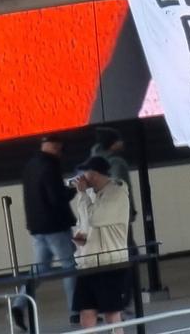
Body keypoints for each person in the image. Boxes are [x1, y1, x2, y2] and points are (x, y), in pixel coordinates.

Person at [12, 135, 78, 331]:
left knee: (40, 269)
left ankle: (18, 304)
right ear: (53, 146)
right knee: (70, 266)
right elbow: (56, 198)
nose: (61, 151)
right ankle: (75, 312)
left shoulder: (30, 165)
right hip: (55, 226)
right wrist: (73, 190)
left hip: (36, 227)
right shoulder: (50, 166)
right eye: (60, 147)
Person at [72, 156, 130, 332]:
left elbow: (94, 218)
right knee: (86, 315)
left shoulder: (117, 193)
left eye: (85, 173)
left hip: (110, 264)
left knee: (112, 315)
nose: (81, 177)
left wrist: (81, 193)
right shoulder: (90, 195)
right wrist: (79, 237)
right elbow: (83, 223)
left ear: (94, 174)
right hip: (88, 263)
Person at [91, 127, 137, 312]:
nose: (122, 142)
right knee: (128, 257)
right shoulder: (116, 163)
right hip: (119, 218)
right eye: (118, 139)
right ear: (112, 144)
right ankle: (123, 300)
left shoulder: (93, 160)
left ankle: (112, 299)